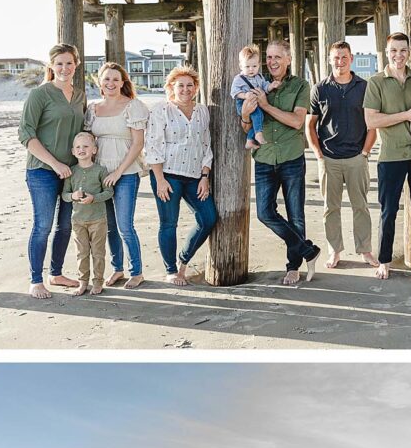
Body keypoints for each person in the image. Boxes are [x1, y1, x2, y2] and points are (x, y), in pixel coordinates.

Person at [239, 39, 320, 286]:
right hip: (264, 158)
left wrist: (265, 105)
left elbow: (297, 121)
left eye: (277, 57)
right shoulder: (256, 84)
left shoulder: (300, 85)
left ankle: (293, 268)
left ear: (288, 59)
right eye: (269, 57)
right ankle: (308, 250)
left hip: (291, 157)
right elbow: (247, 126)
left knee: (296, 215)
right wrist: (244, 114)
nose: (272, 61)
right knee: (265, 212)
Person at [363, 32, 411, 283]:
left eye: (403, 51)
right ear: (387, 53)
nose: (399, 55)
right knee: (388, 212)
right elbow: (371, 120)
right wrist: (407, 115)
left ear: (409, 52)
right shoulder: (375, 82)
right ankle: (384, 261)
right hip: (391, 156)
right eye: (394, 51)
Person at [18, 43, 86, 299]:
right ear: (51, 66)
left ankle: (56, 273)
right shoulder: (40, 94)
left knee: (66, 225)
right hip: (42, 171)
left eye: (69, 63)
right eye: (59, 63)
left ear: (76, 65)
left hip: (72, 172)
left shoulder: (80, 95)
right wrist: (55, 164)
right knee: (43, 225)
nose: (65, 68)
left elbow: (83, 131)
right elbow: (26, 134)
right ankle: (36, 280)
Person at [306, 41, 379, 269]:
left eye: (344, 57)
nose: (340, 61)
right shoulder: (320, 89)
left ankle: (365, 250)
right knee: (331, 208)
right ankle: (334, 251)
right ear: (330, 60)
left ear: (351, 59)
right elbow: (310, 125)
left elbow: (372, 124)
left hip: (357, 158)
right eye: (336, 57)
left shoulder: (364, 87)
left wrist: (365, 153)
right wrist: (319, 155)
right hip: (329, 159)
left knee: (361, 206)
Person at [143, 66, 217, 286]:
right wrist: (159, 180)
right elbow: (153, 146)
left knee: (208, 219)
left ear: (195, 88)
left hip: (195, 176)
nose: (185, 89)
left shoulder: (202, 110)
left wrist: (205, 176)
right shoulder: (161, 110)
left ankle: (184, 261)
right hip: (167, 176)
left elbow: (206, 144)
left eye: (189, 85)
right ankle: (171, 270)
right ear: (171, 88)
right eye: (180, 85)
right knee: (169, 223)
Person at [84, 63, 150, 289]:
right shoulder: (93, 109)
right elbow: (89, 142)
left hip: (126, 173)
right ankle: (117, 269)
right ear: (99, 83)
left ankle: (137, 272)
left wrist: (118, 171)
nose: (110, 83)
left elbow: (138, 143)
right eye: (106, 79)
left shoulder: (133, 106)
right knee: (109, 226)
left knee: (125, 226)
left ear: (123, 82)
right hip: (101, 174)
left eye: (115, 79)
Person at [60, 131, 113, 296]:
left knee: (98, 252)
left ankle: (98, 282)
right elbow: (64, 194)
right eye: (78, 147)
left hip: (98, 219)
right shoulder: (71, 172)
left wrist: (94, 198)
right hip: (78, 220)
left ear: (94, 150)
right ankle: (83, 282)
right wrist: (72, 196)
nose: (81, 149)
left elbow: (109, 192)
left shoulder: (100, 170)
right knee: (81, 253)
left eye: (85, 146)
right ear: (73, 151)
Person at [231, 44, 280, 149]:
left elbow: (265, 87)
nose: (251, 69)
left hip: (256, 103)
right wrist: (244, 95)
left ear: (258, 65)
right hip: (243, 103)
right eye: (247, 67)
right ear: (241, 66)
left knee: (259, 118)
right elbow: (234, 92)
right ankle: (258, 134)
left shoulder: (259, 77)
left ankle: (249, 140)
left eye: (254, 66)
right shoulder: (239, 79)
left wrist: (271, 86)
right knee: (258, 115)